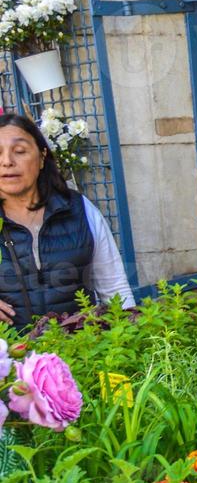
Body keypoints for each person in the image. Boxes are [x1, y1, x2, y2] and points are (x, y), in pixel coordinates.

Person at [0, 113, 134, 330]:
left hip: (83, 351)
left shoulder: (79, 209)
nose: (7, 162)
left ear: (43, 156)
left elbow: (114, 287)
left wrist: (128, 336)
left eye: (20, 151)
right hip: (10, 358)